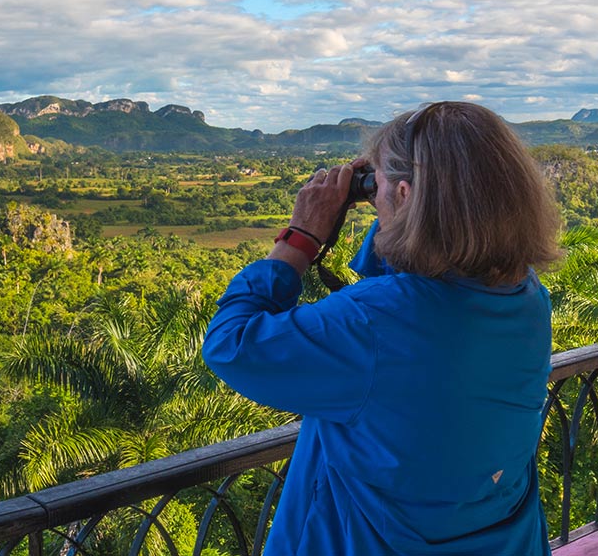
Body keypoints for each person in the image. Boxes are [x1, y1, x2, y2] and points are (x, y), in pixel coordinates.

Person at [202, 101, 561, 555]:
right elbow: (423, 293)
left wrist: (301, 237)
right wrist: (396, 200)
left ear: (408, 197)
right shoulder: (527, 299)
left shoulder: (370, 324)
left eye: (383, 186)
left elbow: (231, 344)